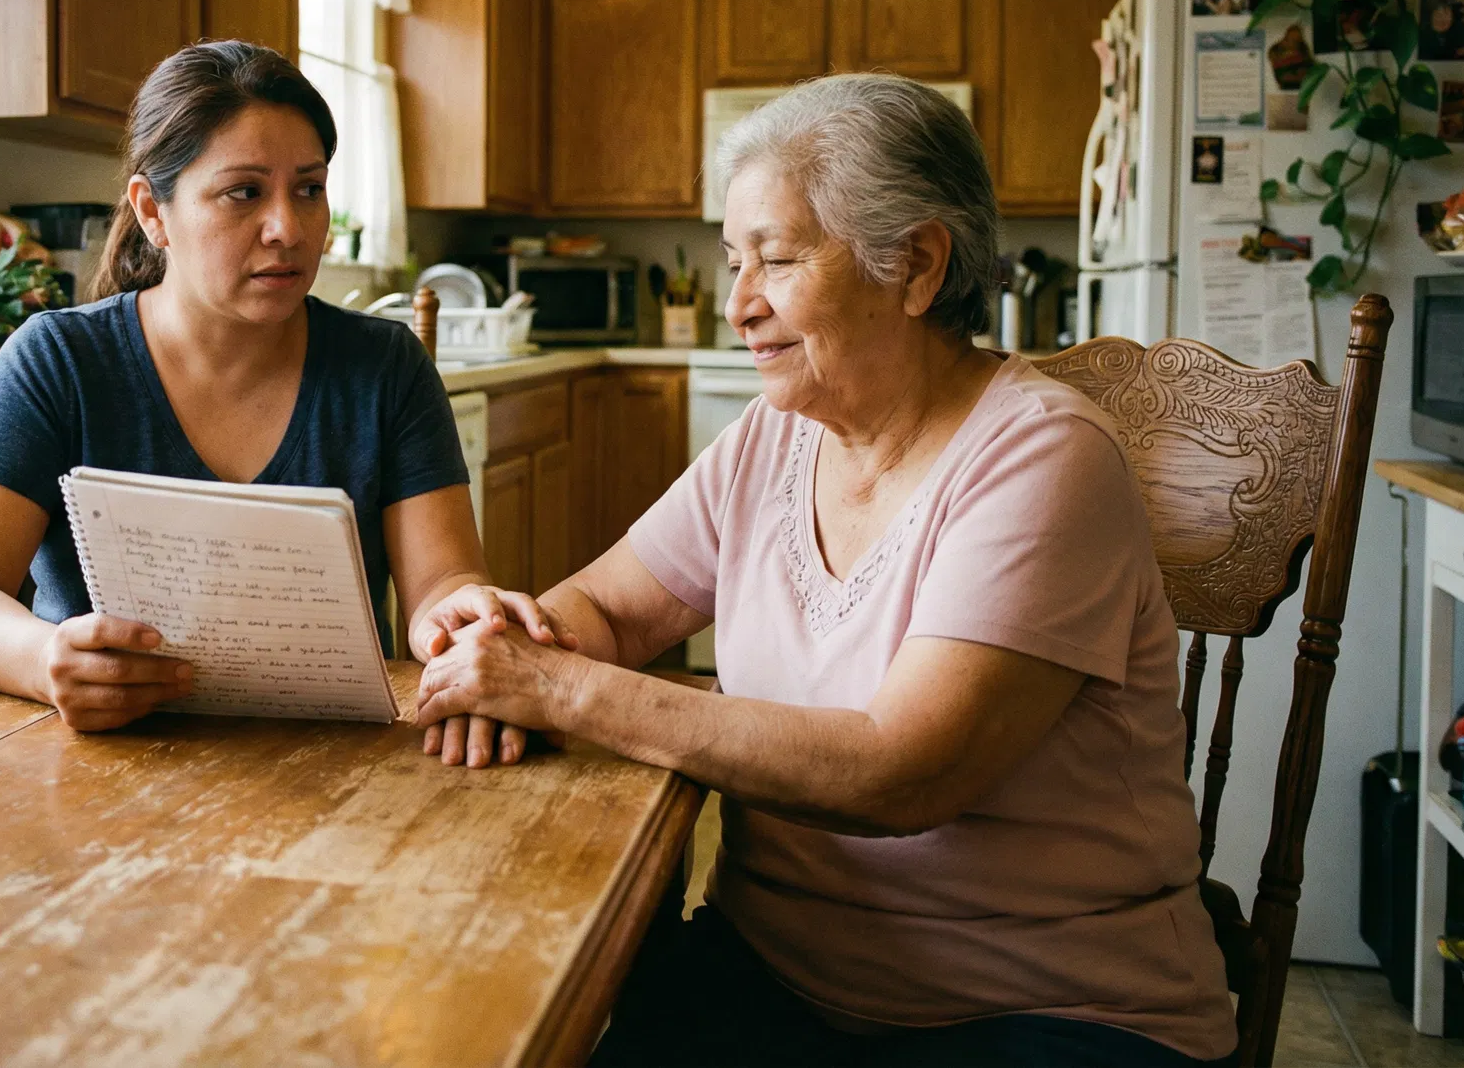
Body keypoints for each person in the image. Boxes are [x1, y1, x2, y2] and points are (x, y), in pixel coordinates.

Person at [412, 74, 1238, 1066]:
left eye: (778, 260)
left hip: (1044, 1011)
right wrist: (505, 640)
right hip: (775, 974)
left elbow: (899, 775)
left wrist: (562, 689)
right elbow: (607, 609)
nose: (739, 306)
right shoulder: (772, 435)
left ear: (917, 266)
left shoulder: (1044, 457)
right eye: (733, 263)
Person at [0, 40, 557, 756]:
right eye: (244, 192)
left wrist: (458, 619)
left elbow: (441, 580)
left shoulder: (386, 367)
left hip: (335, 764)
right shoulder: (57, 362)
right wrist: (41, 661)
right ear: (153, 211)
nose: (289, 227)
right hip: (97, 764)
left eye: (309, 188)